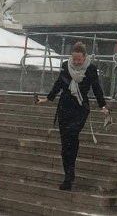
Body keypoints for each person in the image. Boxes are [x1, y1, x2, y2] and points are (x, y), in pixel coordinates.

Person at [36, 42, 109, 190]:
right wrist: (48, 98)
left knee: (72, 135)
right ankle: (68, 175)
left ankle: (70, 170)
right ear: (71, 57)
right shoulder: (65, 66)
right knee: (65, 144)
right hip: (65, 106)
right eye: (74, 59)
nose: (76, 62)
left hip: (80, 108)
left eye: (79, 60)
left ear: (84, 57)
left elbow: (96, 88)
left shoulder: (90, 69)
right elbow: (59, 84)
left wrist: (102, 105)